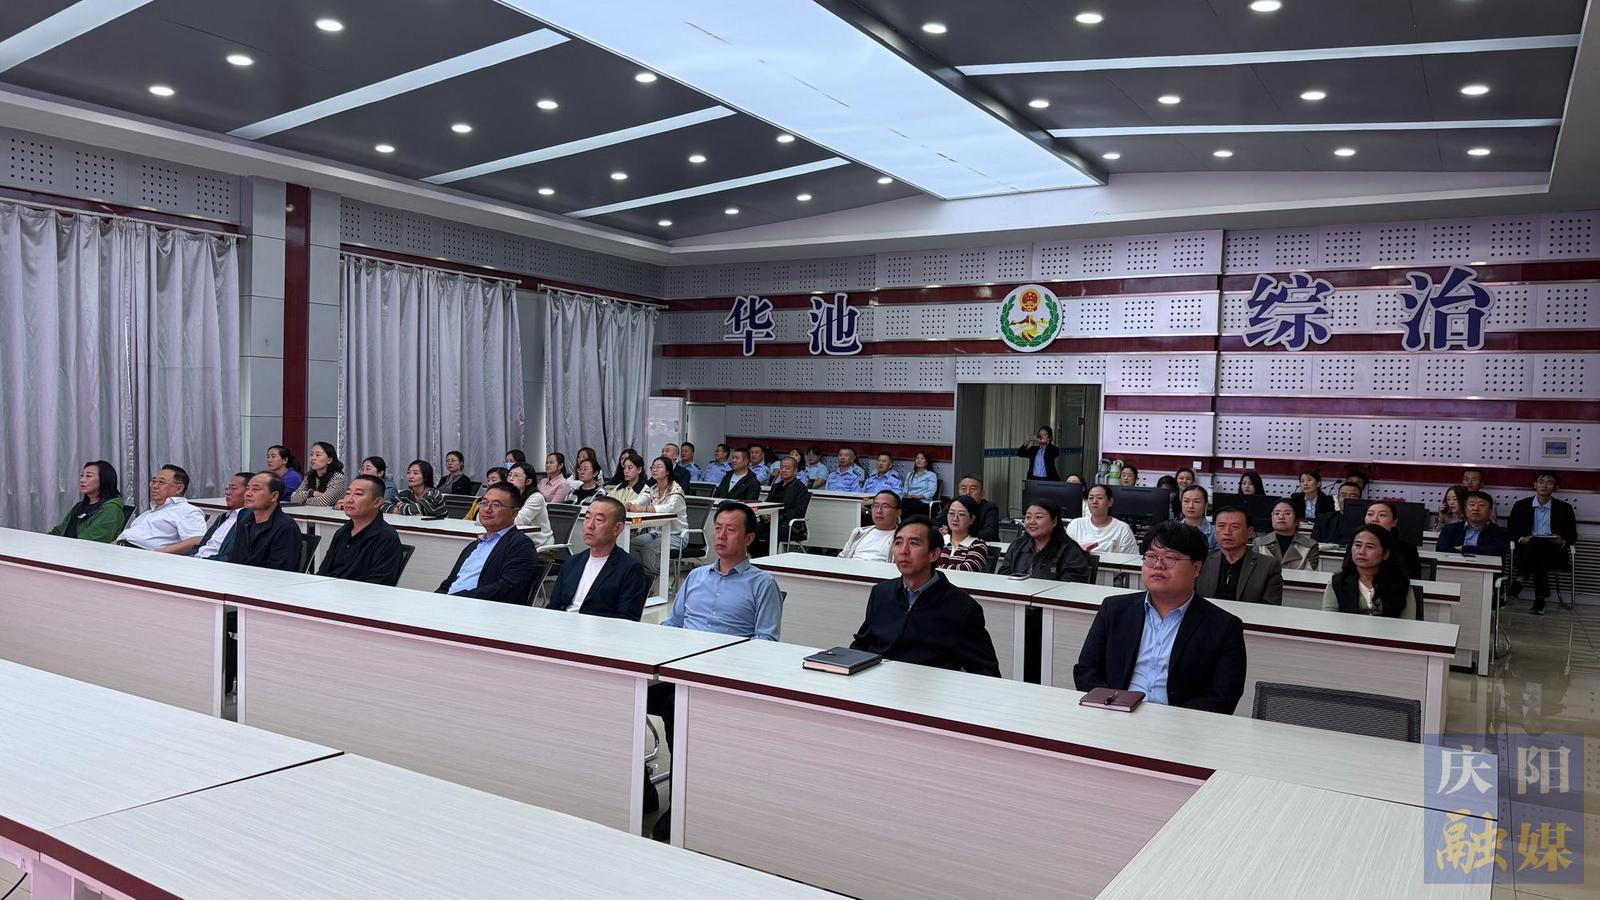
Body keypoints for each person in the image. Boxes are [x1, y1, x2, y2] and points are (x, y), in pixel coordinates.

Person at [1073, 521, 1247, 714]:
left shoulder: (1223, 626)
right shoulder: (1114, 610)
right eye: (1151, 556)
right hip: (1115, 714)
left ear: (1196, 568)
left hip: (1182, 724)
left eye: (1170, 558)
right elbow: (1086, 671)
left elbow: (1224, 695)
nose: (1158, 565)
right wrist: (1114, 706)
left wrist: (1171, 721)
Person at [850, 516, 1001, 676]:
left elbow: (986, 671)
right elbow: (862, 644)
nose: (903, 551)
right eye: (898, 542)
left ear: (933, 554)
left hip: (931, 686)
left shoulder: (962, 607)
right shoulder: (881, 593)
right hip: (879, 681)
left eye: (914, 543)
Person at [437, 482, 540, 604]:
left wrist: (458, 599)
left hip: (482, 608)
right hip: (451, 604)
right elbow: (449, 582)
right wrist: (436, 599)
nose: (487, 509)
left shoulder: (521, 545)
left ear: (514, 513)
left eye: (496, 505)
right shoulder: (474, 545)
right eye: (484, 503)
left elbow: (507, 588)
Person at [547, 496, 648, 619]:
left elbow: (626, 619)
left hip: (600, 629)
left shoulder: (630, 569)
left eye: (599, 520)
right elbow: (553, 606)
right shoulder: (572, 562)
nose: (590, 525)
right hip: (563, 625)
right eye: (587, 518)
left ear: (617, 528)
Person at [1508, 471, 1577, 615]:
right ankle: (1540, 600)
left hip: (1554, 553)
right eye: (1541, 482)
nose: (1544, 485)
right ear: (1535, 485)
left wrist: (1562, 541)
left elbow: (1572, 535)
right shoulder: (1521, 505)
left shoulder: (1564, 508)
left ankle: (1520, 579)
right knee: (1537, 548)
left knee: (1538, 545)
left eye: (1549, 483)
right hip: (1527, 550)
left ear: (1556, 488)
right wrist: (1522, 539)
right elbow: (1510, 531)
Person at [318, 474, 404, 585]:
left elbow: (378, 585)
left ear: (377, 502)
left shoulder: (386, 538)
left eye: (358, 494)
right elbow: (322, 572)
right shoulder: (343, 532)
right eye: (347, 493)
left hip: (359, 594)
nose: (349, 500)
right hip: (331, 590)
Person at [1321, 525, 1417, 619]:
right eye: (1358, 545)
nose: (1361, 552)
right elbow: (1329, 620)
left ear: (1385, 554)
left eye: (1370, 547)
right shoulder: (1337, 583)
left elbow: (1408, 623)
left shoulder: (1401, 585)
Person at [1198, 506, 1283, 605]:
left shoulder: (1268, 566)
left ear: (1249, 531)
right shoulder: (1202, 561)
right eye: (1221, 526)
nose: (1227, 532)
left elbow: (1271, 607)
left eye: (1235, 527)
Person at [117, 465, 206, 552]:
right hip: (119, 548)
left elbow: (196, 540)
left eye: (161, 482)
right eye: (154, 481)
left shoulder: (188, 511)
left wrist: (159, 554)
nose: (155, 486)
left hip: (143, 555)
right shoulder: (150, 512)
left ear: (179, 488)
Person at [1000, 499, 1091, 582]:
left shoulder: (1070, 551)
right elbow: (1003, 576)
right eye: (1028, 517)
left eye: (1038, 517)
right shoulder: (1017, 546)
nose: (1032, 521)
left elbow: (1072, 586)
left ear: (1054, 521)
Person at [627, 456, 688, 578]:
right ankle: (640, 575)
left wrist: (644, 509)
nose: (654, 470)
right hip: (656, 533)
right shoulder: (653, 489)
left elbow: (668, 509)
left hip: (676, 536)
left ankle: (653, 579)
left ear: (668, 471)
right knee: (632, 544)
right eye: (653, 467)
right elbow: (639, 500)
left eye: (659, 467)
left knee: (650, 548)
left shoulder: (676, 489)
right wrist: (629, 504)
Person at [227, 473, 303, 571]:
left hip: (268, 579)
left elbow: (280, 569)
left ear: (274, 496)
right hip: (241, 577)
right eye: (247, 488)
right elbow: (235, 560)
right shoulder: (246, 522)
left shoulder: (286, 528)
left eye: (255, 489)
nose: (248, 493)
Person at [49, 460, 126, 543]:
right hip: (63, 547)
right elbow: (59, 531)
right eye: (82, 475)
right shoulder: (80, 506)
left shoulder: (111, 509)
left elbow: (90, 541)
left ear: (104, 479)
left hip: (81, 550)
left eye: (88, 476)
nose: (82, 480)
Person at [184, 472, 252, 560]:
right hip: (196, 559)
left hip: (213, 563)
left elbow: (232, 556)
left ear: (248, 492)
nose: (227, 492)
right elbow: (203, 544)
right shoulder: (223, 517)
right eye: (227, 488)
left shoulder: (249, 519)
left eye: (233, 488)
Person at [1065, 484, 1138, 555]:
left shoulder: (1123, 529)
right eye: (1091, 498)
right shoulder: (1076, 525)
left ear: (1110, 502)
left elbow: (1132, 559)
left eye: (1099, 498)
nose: (1094, 501)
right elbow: (1066, 555)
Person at [1437, 491, 1510, 558]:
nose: (1475, 508)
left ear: (1490, 511)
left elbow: (1495, 552)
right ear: (1465, 509)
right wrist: (1479, 550)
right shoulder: (1450, 528)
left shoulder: (1500, 532)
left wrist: (1464, 548)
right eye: (1472, 504)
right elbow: (1441, 549)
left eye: (1481, 505)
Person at [1254, 499, 1320, 571]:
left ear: (1297, 520)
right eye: (1277, 513)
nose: (1281, 517)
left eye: (1287, 513)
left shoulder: (1310, 545)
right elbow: (1255, 572)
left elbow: (1310, 574)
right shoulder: (1260, 543)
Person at [1364, 500, 1420, 580]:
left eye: (1382, 515)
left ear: (1394, 522)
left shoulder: (1408, 549)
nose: (1374, 519)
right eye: (1370, 514)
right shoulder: (1356, 545)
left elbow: (1413, 579)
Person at [505, 462, 554, 551]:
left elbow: (518, 521)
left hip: (539, 546)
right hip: (517, 542)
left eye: (516, 475)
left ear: (528, 481)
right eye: (509, 475)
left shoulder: (536, 497)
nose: (511, 478)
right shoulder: (507, 496)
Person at [937, 474, 1001, 542]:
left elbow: (988, 534)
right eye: (963, 489)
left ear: (982, 494)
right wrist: (941, 530)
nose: (967, 493)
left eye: (972, 489)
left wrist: (953, 531)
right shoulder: (954, 504)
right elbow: (935, 524)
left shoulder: (990, 508)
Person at [840, 490, 900, 562]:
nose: (878, 511)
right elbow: (841, 558)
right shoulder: (859, 533)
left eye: (885, 506)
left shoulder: (902, 538)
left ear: (898, 512)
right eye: (875, 506)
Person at [935, 495, 988, 572]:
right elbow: (926, 566)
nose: (955, 518)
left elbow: (966, 570)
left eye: (961, 514)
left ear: (972, 519)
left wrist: (937, 569)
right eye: (951, 513)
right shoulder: (939, 542)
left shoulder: (978, 545)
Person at [765, 455, 811, 545]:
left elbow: (799, 511)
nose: (783, 470)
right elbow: (767, 504)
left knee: (770, 534)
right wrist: (764, 515)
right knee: (752, 531)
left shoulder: (801, 488)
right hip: (771, 521)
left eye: (787, 468)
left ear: (795, 471)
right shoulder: (775, 486)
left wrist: (778, 518)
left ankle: (768, 554)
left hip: (789, 524)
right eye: (781, 467)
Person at [290, 442, 347, 508]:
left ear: (329, 460)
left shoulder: (338, 478)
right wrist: (311, 493)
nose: (313, 458)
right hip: (310, 512)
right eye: (311, 454)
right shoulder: (310, 476)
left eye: (318, 455)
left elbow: (323, 502)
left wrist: (303, 500)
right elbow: (293, 498)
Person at [1179, 485, 1216, 550]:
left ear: (1206, 505)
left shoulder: (1215, 533)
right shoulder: (1172, 530)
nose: (1190, 506)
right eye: (1186, 501)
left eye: (1196, 502)